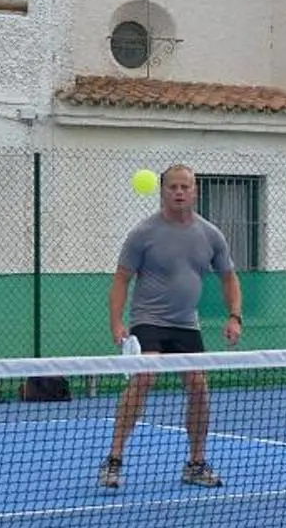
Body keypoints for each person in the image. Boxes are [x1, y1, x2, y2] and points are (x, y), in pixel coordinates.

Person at [102, 164, 243, 489]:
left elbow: (229, 278)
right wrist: (116, 323)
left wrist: (234, 316)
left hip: (186, 325)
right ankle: (114, 459)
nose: (179, 192)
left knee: (198, 386)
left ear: (195, 191)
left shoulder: (211, 235)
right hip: (148, 320)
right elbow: (121, 279)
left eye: (185, 187)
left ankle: (195, 463)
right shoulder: (142, 233)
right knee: (144, 378)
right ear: (163, 191)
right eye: (173, 187)